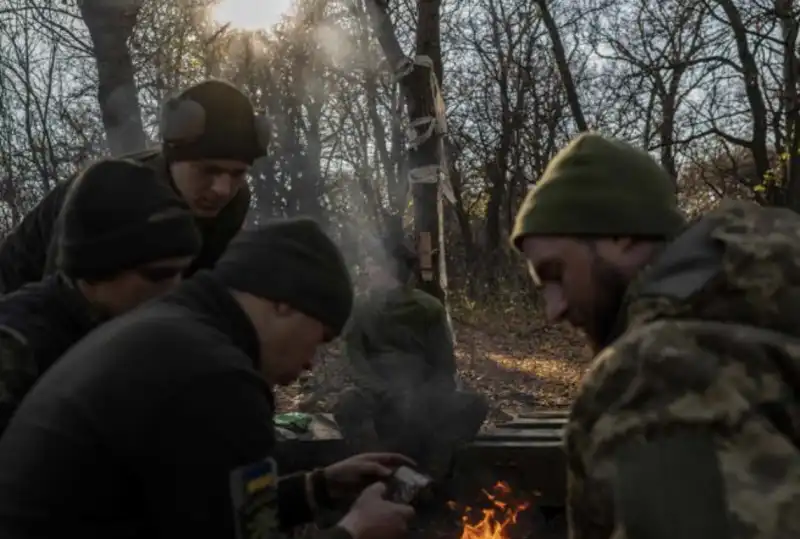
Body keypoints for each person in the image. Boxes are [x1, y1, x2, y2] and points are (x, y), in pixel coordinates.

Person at [0, 217, 415, 539]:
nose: (311, 361)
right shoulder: (216, 379)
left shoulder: (172, 334)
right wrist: (355, 532)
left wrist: (316, 488)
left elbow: (210, 509)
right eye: (320, 338)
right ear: (285, 304)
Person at [510, 132, 800, 538]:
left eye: (557, 274)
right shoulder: (760, 311)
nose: (554, 310)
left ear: (621, 235)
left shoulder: (659, 370)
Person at [0, 78, 269, 294]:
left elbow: (198, 291)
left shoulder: (234, 202)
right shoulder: (110, 196)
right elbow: (63, 304)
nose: (222, 189)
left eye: (237, 174)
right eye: (207, 170)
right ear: (172, 160)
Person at [0, 158, 201, 435]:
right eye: (157, 275)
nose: (174, 290)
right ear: (98, 269)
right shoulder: (16, 345)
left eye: (182, 273)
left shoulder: (135, 329)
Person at [333, 231, 488, 480]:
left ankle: (429, 477)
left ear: (389, 268)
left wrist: (423, 399)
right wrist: (383, 390)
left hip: (423, 398)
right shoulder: (361, 308)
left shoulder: (428, 308)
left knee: (476, 404)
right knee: (348, 403)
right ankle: (380, 471)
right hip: (377, 397)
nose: (368, 269)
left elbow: (444, 365)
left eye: (373, 264)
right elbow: (354, 359)